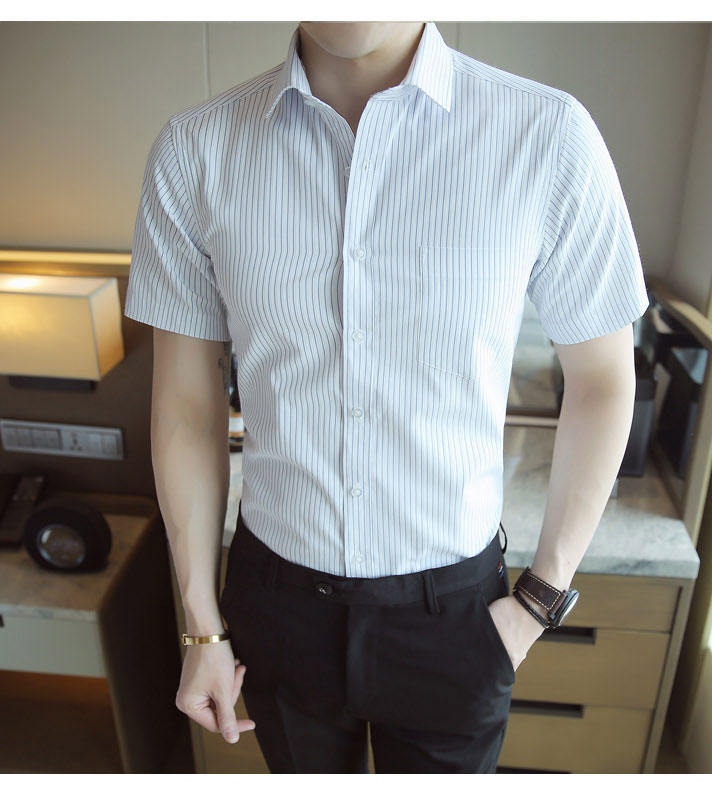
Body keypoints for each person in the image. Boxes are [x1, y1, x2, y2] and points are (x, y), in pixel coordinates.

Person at [124, 20, 649, 774]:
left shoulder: (546, 133)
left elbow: (603, 380)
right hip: (276, 604)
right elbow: (186, 406)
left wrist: (539, 600)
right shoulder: (195, 150)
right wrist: (201, 624)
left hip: (456, 618)